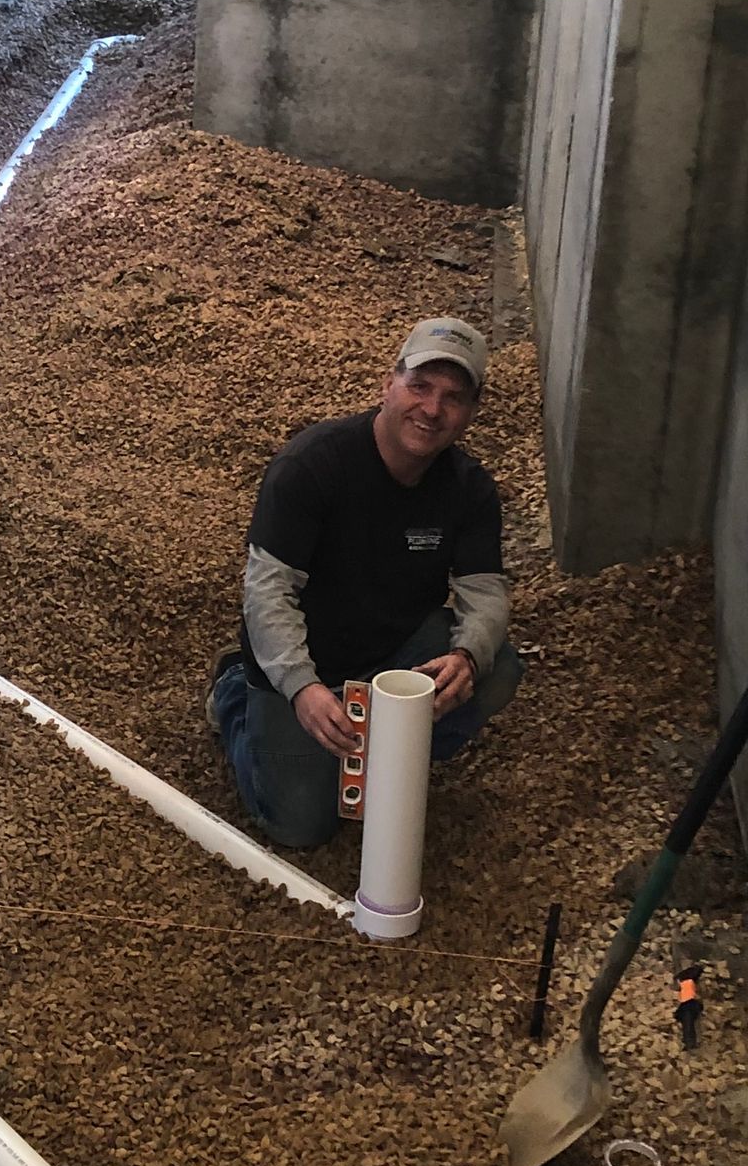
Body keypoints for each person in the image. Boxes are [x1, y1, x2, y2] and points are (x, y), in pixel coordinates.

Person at [207, 317, 523, 852]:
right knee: (301, 825)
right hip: (302, 660)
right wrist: (301, 687)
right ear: (389, 384)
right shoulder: (311, 466)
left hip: (392, 649)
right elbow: (267, 592)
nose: (431, 409)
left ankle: (381, 750)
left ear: (471, 412)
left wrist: (467, 656)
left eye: (452, 397)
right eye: (419, 386)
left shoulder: (469, 489)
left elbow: (485, 590)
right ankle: (235, 696)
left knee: (497, 669)